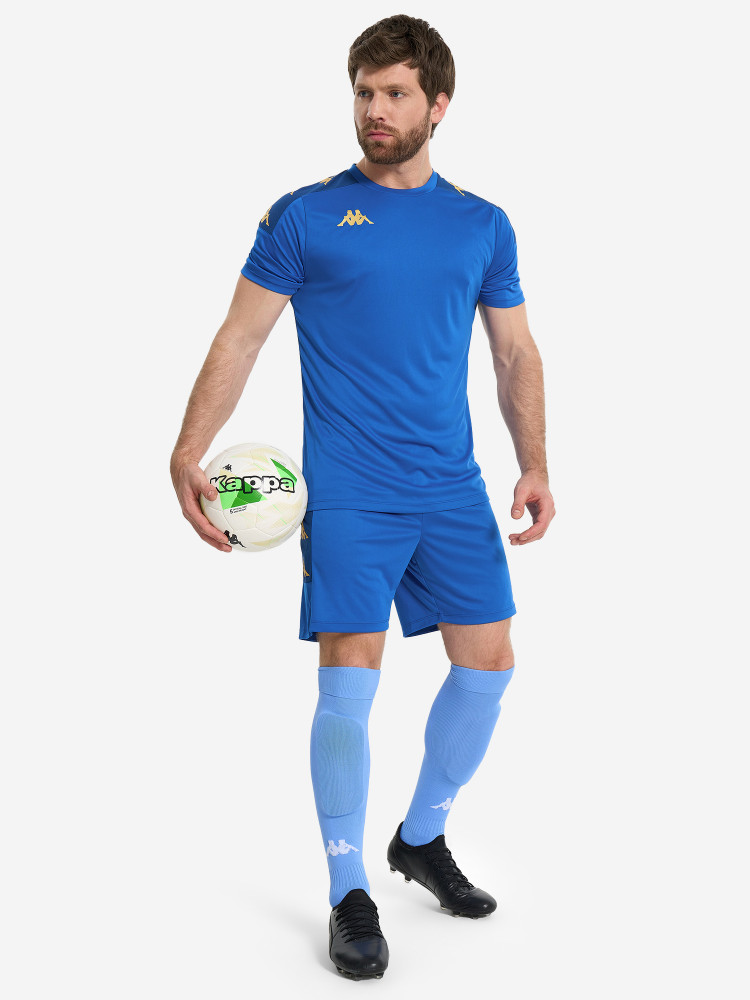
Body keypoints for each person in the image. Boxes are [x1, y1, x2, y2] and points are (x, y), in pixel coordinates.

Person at [170, 13, 555, 982]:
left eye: (393, 94)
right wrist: (189, 447)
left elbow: (514, 351)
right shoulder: (303, 217)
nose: (373, 110)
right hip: (348, 491)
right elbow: (240, 337)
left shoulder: (482, 223)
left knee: (490, 665)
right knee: (351, 675)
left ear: (439, 105)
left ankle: (420, 837)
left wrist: (535, 462)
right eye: (363, 93)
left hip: (452, 485)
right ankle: (349, 889)